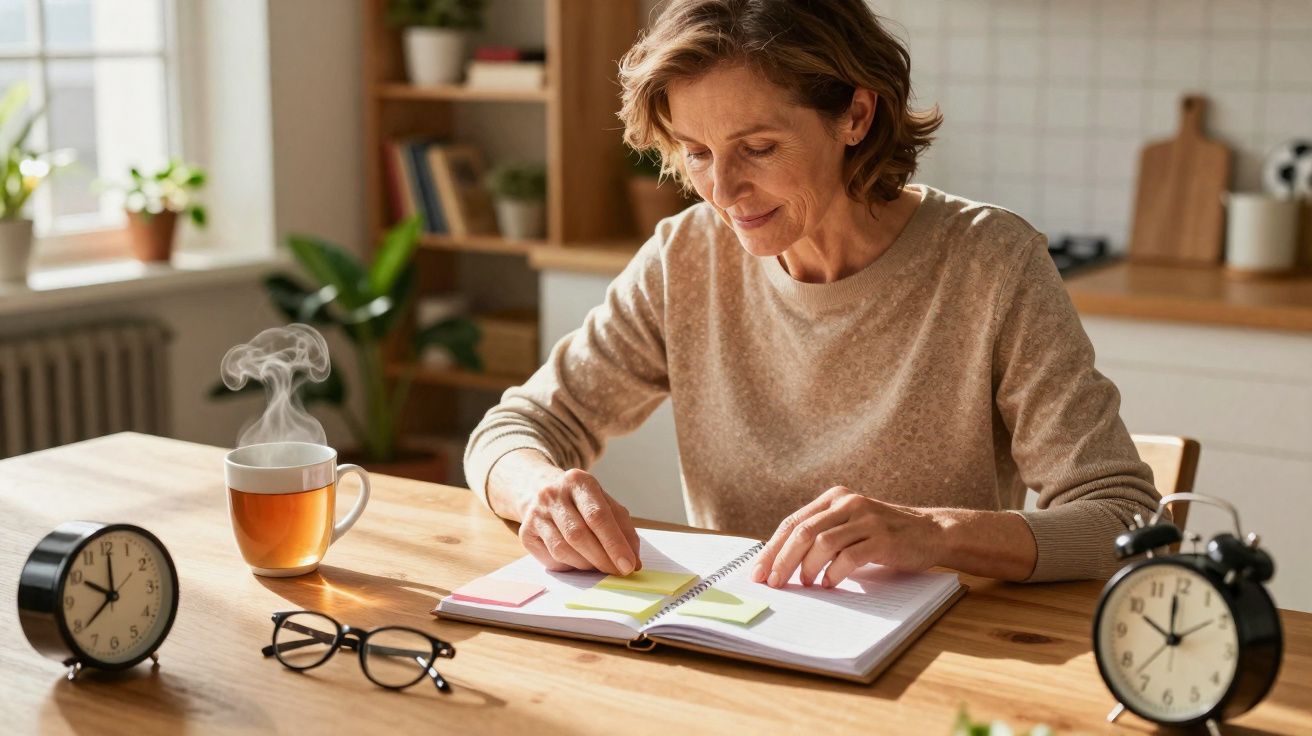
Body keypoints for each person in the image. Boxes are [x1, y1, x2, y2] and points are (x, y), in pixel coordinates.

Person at [463, 0, 1163, 588]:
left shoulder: (991, 264)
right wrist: (542, 491)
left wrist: (934, 533)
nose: (723, 191)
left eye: (759, 148)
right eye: (697, 153)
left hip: (937, 665)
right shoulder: (686, 258)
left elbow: (1126, 518)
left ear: (856, 116)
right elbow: (511, 432)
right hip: (736, 648)